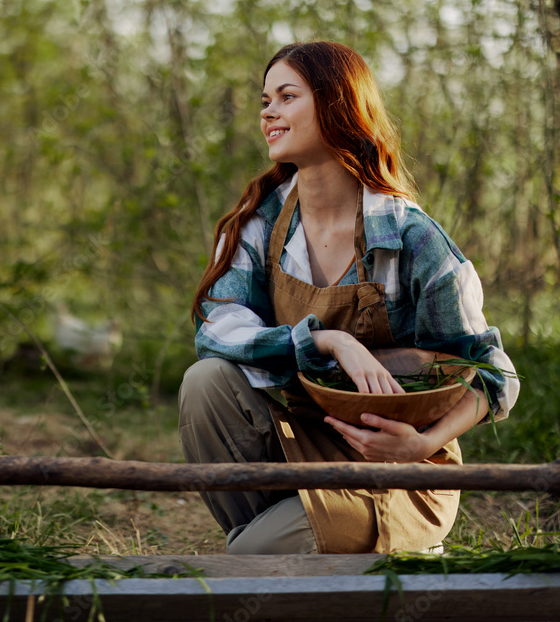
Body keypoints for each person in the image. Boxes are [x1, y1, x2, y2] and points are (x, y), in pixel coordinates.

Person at [178, 42, 520, 555]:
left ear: (337, 104)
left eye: (286, 96)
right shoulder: (261, 220)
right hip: (302, 438)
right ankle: (286, 548)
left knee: (252, 557)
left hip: (397, 465)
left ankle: (286, 553)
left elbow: (495, 374)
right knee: (205, 382)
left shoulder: (412, 238)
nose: (268, 111)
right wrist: (329, 340)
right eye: (264, 99)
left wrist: (421, 444)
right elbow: (218, 328)